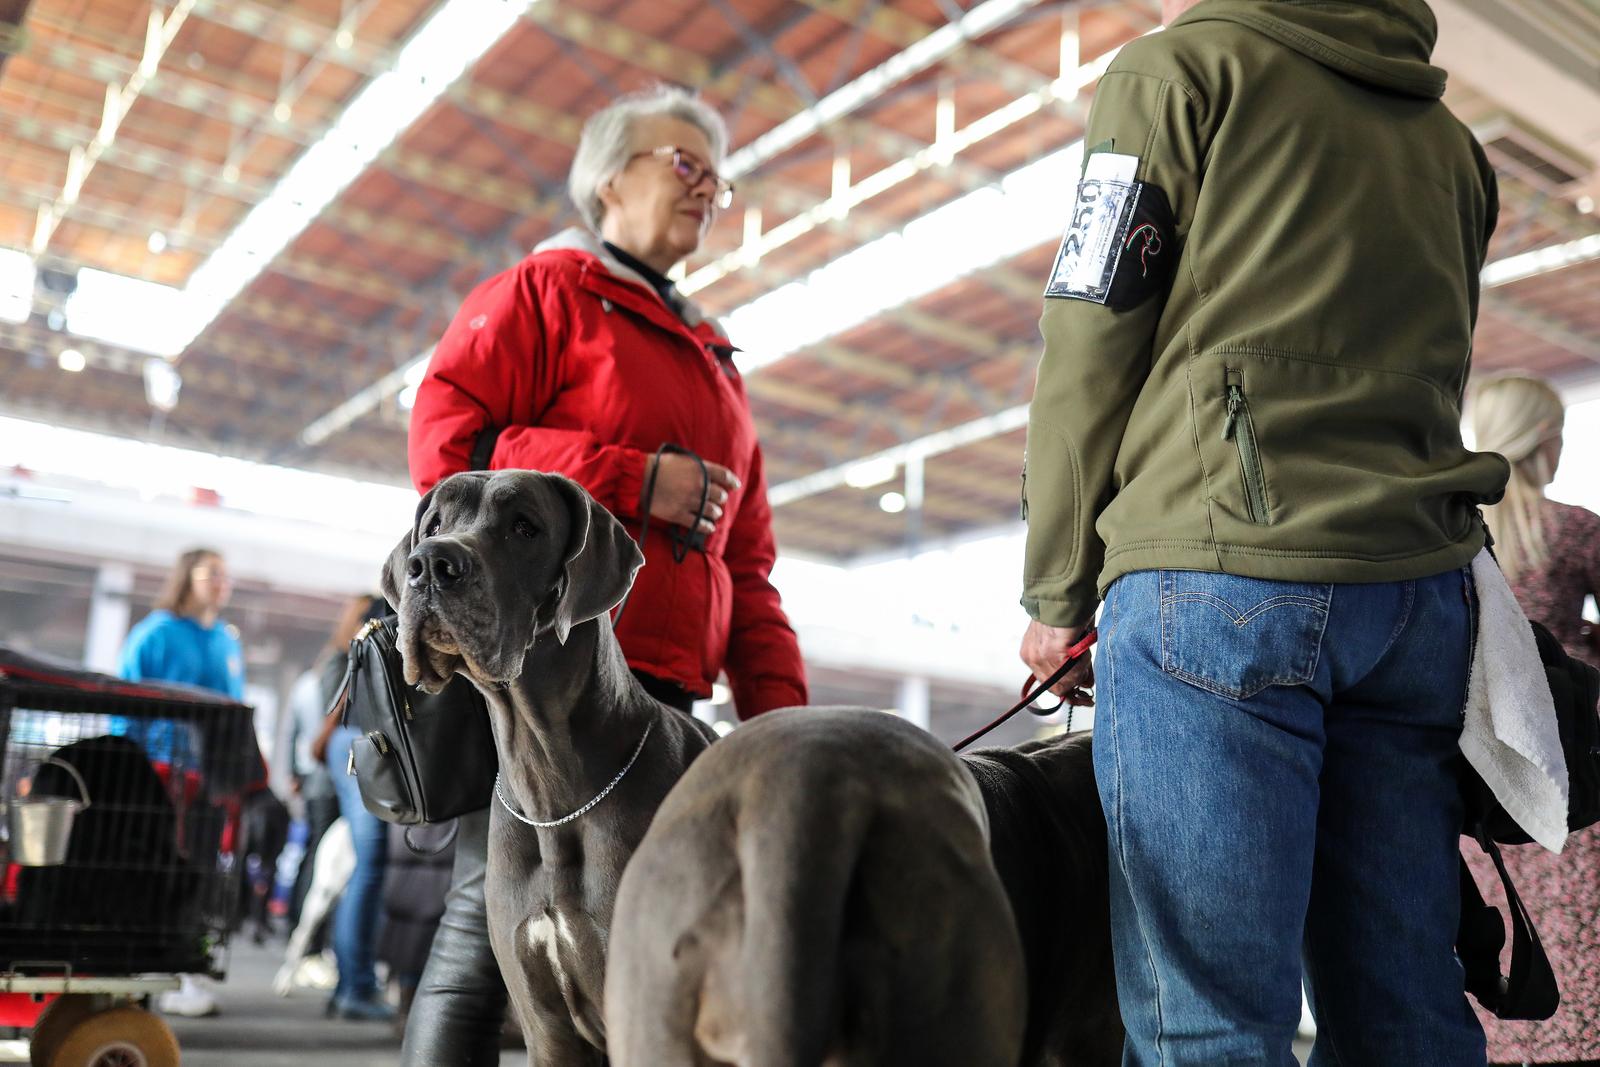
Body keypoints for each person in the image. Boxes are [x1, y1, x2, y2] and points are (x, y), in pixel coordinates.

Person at [1016, 0, 1507, 1063]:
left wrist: (1055, 588)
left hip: (1219, 577)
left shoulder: (1174, 77)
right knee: (1406, 1013)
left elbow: (1089, 334)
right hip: (1417, 593)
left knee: (1211, 1023)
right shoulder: (1453, 149)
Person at [401, 84, 807, 1064]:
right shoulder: (539, 296)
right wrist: (632, 478)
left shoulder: (718, 364)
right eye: (685, 162)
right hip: (532, 689)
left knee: (655, 972)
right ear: (608, 179)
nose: (709, 186)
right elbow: (451, 454)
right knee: (485, 937)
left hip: (658, 705)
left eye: (720, 173)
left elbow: (746, 564)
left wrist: (786, 725)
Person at [1466, 373, 1600, 1067]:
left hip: (1484, 786)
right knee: (1583, 947)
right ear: (1545, 442)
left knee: (1499, 935)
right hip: (1568, 779)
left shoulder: (1457, 538)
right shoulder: (1574, 529)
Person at [115, 546, 246, 1018]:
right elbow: (125, 703)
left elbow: (234, 711)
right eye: (212, 573)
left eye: (225, 575)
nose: (221, 582)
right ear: (186, 577)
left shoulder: (227, 641)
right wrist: (128, 770)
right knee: (154, 868)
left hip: (207, 780)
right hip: (157, 775)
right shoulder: (155, 633)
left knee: (200, 874)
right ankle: (141, 968)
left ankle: (183, 971)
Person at [318, 595, 396, 1021]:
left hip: (350, 749)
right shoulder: (359, 653)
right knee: (368, 868)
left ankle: (351, 983)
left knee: (363, 869)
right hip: (359, 748)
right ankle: (356, 987)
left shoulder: (337, 656)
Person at [284, 596, 370, 932]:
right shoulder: (340, 663)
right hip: (327, 776)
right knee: (321, 857)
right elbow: (330, 718)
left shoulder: (327, 666)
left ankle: (303, 933)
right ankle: (304, 935)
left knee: (318, 853)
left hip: (321, 773)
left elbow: (295, 730)